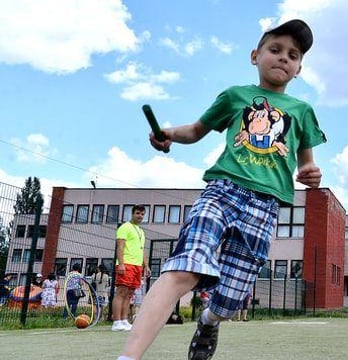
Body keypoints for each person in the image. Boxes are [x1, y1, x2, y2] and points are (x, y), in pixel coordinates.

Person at [119, 19, 325, 360]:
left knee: (229, 299)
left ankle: (209, 320)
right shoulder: (235, 96)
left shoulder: (302, 112)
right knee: (185, 267)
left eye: (293, 55)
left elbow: (306, 163)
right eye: (275, 50)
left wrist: (309, 173)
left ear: (299, 69)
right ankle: (128, 357)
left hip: (265, 206)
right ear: (255, 55)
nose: (283, 58)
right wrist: (168, 133)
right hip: (222, 192)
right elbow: (197, 129)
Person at [113, 205, 150, 332]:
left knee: (129, 294)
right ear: (132, 214)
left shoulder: (141, 231)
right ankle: (116, 321)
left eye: (142, 214)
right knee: (121, 292)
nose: (140, 216)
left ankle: (124, 320)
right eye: (138, 213)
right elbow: (120, 247)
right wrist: (121, 264)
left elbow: (142, 249)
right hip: (126, 264)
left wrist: (146, 265)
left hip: (137, 266)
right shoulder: (124, 228)